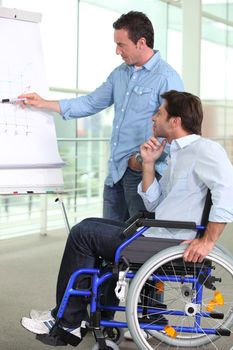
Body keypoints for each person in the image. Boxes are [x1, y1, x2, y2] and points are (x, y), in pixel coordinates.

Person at [21, 90, 233, 346]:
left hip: (167, 241)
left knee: (82, 235)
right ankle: (74, 316)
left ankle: (67, 321)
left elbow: (227, 191)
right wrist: (148, 164)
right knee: (88, 226)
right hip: (159, 232)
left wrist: (208, 241)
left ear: (175, 121)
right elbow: (155, 202)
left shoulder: (205, 150)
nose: (154, 118)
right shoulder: (178, 153)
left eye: (160, 113)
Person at [19, 11, 183, 222]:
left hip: (143, 174)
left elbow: (175, 130)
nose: (117, 51)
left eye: (121, 44)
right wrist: (44, 103)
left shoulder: (167, 78)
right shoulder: (120, 74)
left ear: (141, 42)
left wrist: (140, 161)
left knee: (139, 245)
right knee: (108, 241)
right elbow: (90, 102)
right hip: (115, 174)